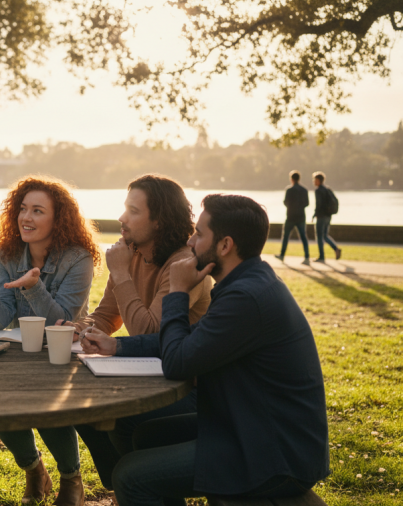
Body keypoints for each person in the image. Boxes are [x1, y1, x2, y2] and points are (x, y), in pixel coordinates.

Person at [108, 194, 330, 505]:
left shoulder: (247, 297)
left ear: (225, 246)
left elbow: (177, 362)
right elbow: (194, 337)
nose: (191, 241)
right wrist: (116, 345)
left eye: (199, 233)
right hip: (244, 424)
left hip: (273, 452)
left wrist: (178, 292)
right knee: (145, 434)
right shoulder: (246, 284)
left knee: (130, 475)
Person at [0, 175, 100, 506]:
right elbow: (1, 320)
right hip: (19, 347)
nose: (26, 218)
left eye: (38, 211)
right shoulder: (7, 254)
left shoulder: (78, 258)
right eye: (22, 209)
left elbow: (61, 321)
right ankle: (33, 469)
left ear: (58, 219)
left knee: (48, 404)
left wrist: (33, 286)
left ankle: (71, 477)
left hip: (61, 349)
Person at [63, 174, 211, 491]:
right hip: (150, 373)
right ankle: (128, 489)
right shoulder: (130, 254)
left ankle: (139, 487)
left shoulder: (184, 266)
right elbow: (107, 315)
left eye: (133, 211)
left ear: (158, 221)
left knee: (115, 416)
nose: (121, 218)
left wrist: (119, 271)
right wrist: (80, 330)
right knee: (77, 406)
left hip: (189, 388)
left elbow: (151, 329)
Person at [275, 170, 310, 264]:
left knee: (286, 236)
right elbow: (307, 203)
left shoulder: (289, 190)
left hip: (290, 216)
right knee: (303, 236)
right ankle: (307, 257)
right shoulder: (304, 190)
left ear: (291, 179)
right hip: (301, 216)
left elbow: (285, 202)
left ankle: (282, 255)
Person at [313, 171, 341, 261]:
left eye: (314, 179)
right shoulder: (327, 189)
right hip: (328, 216)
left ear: (318, 180)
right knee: (325, 235)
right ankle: (336, 248)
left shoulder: (318, 190)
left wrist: (315, 214)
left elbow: (318, 204)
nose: (314, 181)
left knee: (319, 236)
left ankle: (321, 256)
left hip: (321, 216)